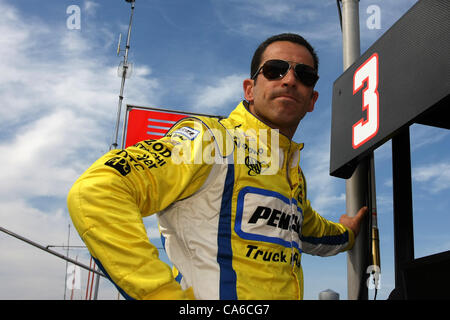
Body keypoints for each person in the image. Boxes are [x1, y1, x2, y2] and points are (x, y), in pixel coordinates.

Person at [67, 33, 367, 300]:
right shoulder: (211, 141)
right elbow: (97, 190)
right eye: (275, 70)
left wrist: (348, 233)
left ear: (312, 99)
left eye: (304, 75)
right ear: (249, 89)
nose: (289, 80)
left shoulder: (292, 173)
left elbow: (309, 231)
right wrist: (161, 294)